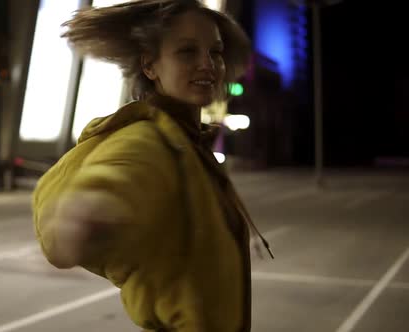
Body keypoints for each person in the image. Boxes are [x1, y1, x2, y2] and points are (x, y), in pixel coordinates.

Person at [32, 0, 273, 331]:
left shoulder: (189, 142)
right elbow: (122, 173)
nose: (207, 64)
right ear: (150, 66)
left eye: (214, 52)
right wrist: (86, 212)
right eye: (187, 52)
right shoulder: (151, 139)